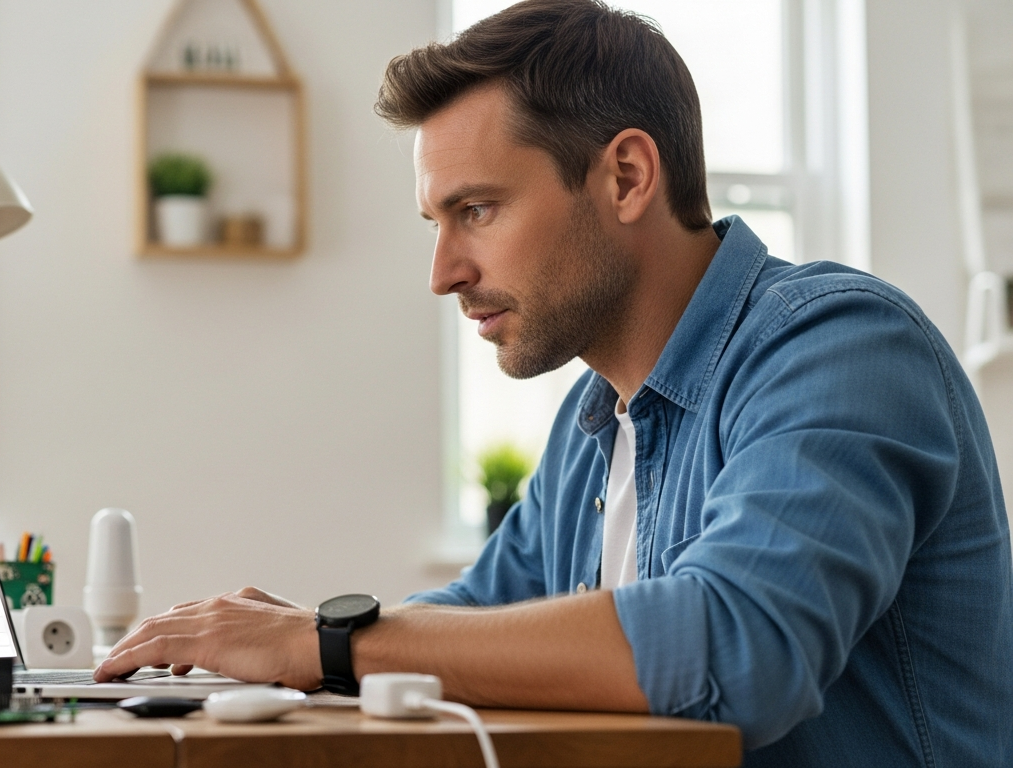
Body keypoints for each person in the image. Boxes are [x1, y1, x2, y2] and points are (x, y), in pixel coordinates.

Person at [95, 0, 1013, 762]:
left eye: (478, 210)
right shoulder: (597, 417)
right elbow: (476, 616)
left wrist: (324, 642)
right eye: (435, 221)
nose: (443, 271)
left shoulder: (841, 345)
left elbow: (742, 648)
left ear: (624, 175)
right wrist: (288, 644)